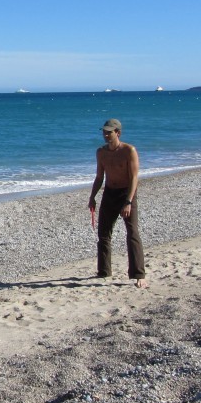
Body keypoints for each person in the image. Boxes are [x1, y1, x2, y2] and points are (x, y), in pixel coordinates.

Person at [88, 119, 148, 289]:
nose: (106, 135)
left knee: (132, 232)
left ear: (118, 133)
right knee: (104, 233)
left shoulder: (129, 151)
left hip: (126, 193)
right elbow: (99, 177)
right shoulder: (101, 152)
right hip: (109, 193)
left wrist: (128, 201)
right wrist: (92, 197)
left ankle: (139, 274)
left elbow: (134, 178)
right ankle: (104, 271)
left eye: (109, 132)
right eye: (104, 132)